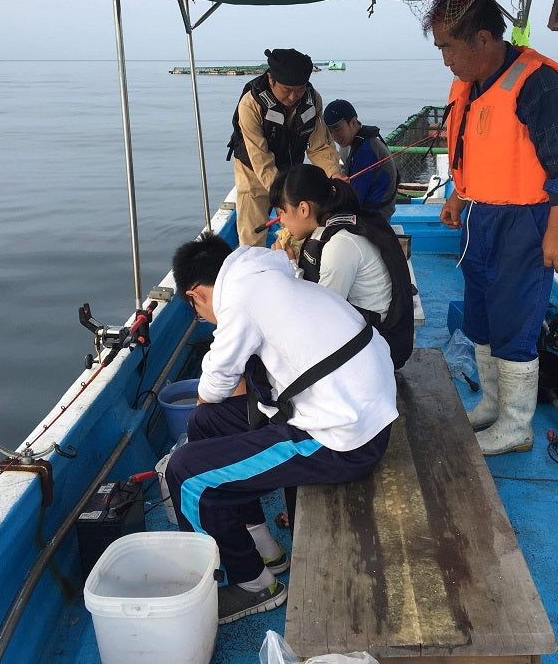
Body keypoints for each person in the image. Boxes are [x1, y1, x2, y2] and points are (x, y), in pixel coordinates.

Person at [166, 234, 397, 624]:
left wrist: (205, 446)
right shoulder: (265, 274)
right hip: (353, 406)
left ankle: (255, 584)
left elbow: (215, 384)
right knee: (204, 424)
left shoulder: (238, 298)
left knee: (187, 473)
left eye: (195, 310)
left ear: (196, 295)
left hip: (344, 439)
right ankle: (263, 544)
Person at [428, 0, 558, 455]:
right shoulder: (472, 82)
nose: (445, 60)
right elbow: (477, 148)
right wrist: (459, 195)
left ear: (482, 39)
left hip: (525, 221)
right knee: (481, 314)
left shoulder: (539, 84)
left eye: (448, 48)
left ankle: (517, 425)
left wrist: (557, 231)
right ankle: (492, 404)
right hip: (481, 215)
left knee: (515, 318)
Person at [269, 165, 414, 369]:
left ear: (303, 209)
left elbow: (320, 317)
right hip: (375, 331)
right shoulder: (342, 220)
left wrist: (289, 266)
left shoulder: (340, 244)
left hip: (380, 347)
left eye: (281, 212)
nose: (280, 222)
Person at [227, 48, 341, 247]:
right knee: (252, 238)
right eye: (287, 90)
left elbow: (320, 146)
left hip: (290, 170)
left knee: (296, 232)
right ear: (271, 79)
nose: (292, 97)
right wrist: (284, 198)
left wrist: (334, 173)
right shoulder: (250, 105)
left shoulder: (313, 100)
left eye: (299, 89)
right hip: (252, 172)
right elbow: (261, 159)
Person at [322, 99, 399, 221]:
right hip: (364, 210)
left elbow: (355, 198)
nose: (334, 137)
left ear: (353, 122)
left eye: (337, 129)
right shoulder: (348, 144)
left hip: (374, 218)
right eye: (330, 131)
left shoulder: (366, 150)